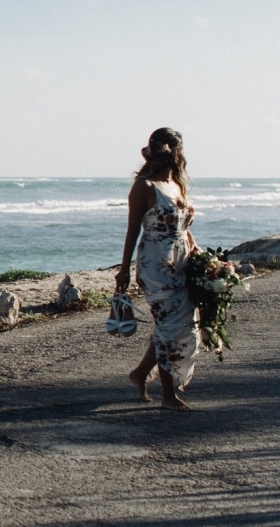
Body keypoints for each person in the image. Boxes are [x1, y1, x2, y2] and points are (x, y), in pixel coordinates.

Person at [114, 128, 200, 411]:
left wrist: (200, 254)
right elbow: (132, 231)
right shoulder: (144, 186)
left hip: (182, 262)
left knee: (176, 325)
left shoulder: (177, 184)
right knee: (169, 327)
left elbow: (183, 228)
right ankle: (168, 395)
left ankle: (140, 374)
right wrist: (124, 270)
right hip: (156, 266)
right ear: (177, 152)